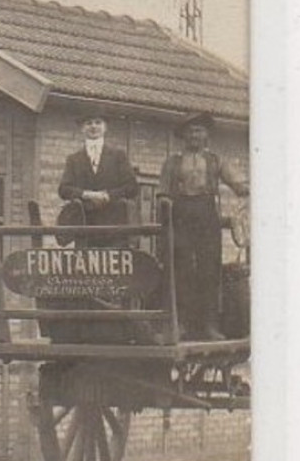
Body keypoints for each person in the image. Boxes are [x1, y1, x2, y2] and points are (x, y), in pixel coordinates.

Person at [158, 112, 250, 340]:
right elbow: (162, 191)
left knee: (209, 270)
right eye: (191, 131)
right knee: (182, 270)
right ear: (184, 136)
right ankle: (181, 325)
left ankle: (210, 326)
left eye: (199, 131)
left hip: (207, 215)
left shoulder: (215, 160)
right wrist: (165, 201)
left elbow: (239, 183)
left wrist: (246, 190)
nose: (195, 136)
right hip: (181, 215)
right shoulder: (173, 161)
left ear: (206, 134)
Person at [57, 109, 140, 247]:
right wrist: (86, 194)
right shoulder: (74, 159)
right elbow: (63, 189)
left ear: (105, 127)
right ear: (82, 128)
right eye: (89, 123)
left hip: (114, 227)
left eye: (98, 122)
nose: (93, 126)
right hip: (85, 226)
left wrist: (108, 195)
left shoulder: (118, 156)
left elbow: (132, 187)